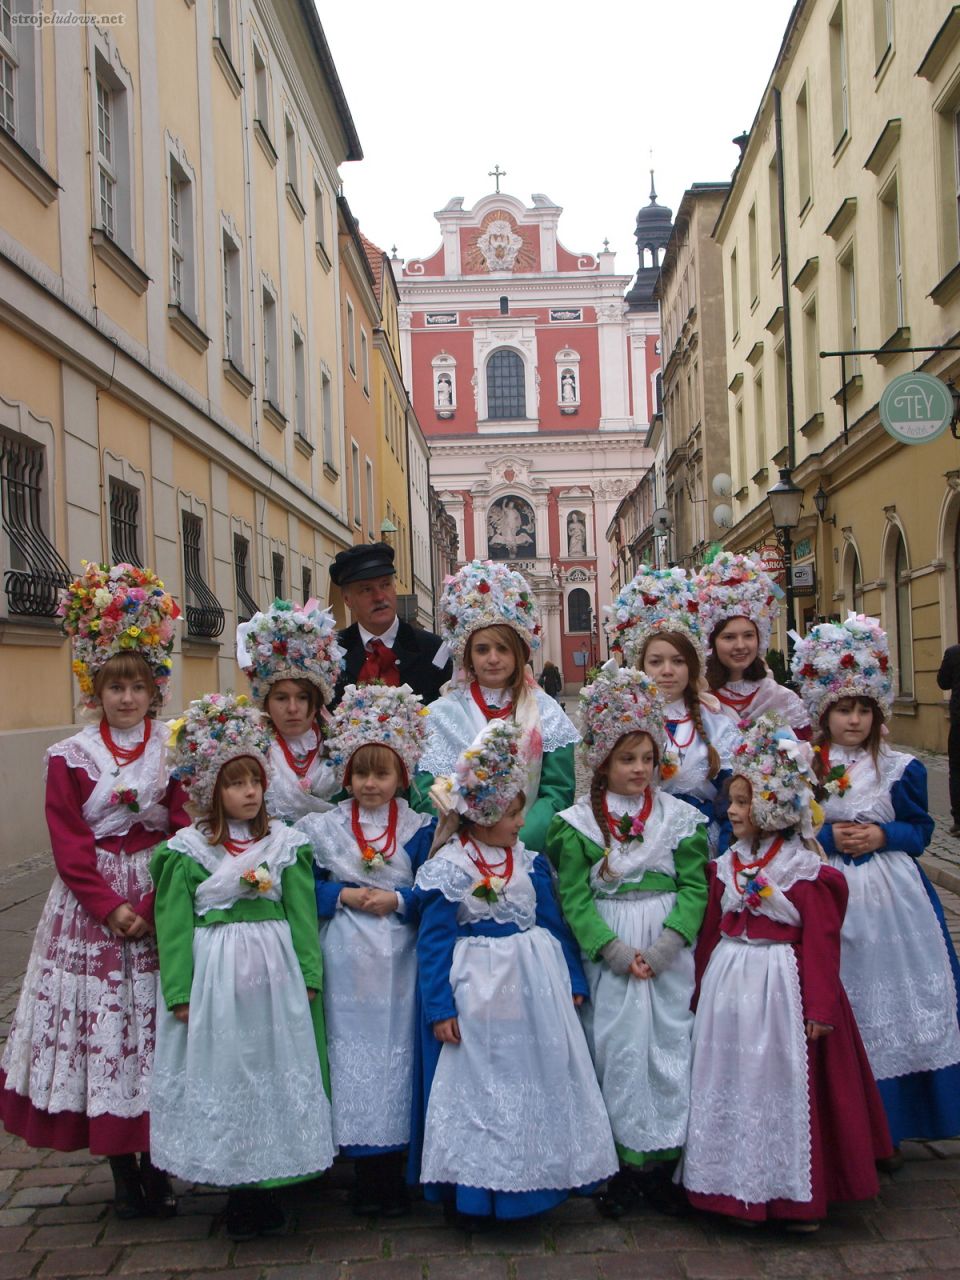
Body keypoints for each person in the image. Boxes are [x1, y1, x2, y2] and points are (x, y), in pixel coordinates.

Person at [0, 563, 187, 1219]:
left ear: (154, 689)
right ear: (96, 692)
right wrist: (110, 908)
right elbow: (70, 843)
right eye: (115, 688)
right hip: (95, 908)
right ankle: (121, 1166)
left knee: (159, 1027)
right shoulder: (69, 757)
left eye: (137, 686)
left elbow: (188, 826)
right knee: (110, 1031)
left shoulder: (175, 748)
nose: (127, 698)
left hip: (160, 890)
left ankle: (160, 1154)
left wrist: (167, 896)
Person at [681, 715, 892, 1230]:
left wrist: (820, 1008)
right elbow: (712, 930)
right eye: (732, 801)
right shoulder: (727, 864)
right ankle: (729, 1189)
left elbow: (822, 945)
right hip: (732, 992)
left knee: (784, 1086)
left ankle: (792, 1195)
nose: (730, 811)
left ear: (774, 804)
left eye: (741, 802)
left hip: (785, 994)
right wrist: (699, 990)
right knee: (733, 1082)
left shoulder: (805, 872)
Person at [413, 720, 617, 1227]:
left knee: (533, 1083)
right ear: (480, 816)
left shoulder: (526, 862)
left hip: (533, 998)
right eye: (511, 813)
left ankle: (535, 1180)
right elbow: (434, 941)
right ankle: (478, 1191)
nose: (520, 823)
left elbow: (552, 922)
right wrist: (439, 1007)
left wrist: (571, 978)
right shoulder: (452, 866)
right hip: (477, 998)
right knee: (480, 1090)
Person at [150, 694, 335, 1241]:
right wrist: (179, 991)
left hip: (275, 980)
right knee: (228, 1070)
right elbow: (175, 927)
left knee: (273, 1070)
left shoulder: (286, 846)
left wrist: (309, 975)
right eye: (235, 784)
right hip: (216, 980)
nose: (249, 793)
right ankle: (234, 1184)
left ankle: (275, 1182)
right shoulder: (185, 852)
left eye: (255, 781)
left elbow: (302, 917)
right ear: (211, 791)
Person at [793, 615, 960, 1155]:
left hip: (893, 901)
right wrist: (829, 834)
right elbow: (790, 823)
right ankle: (848, 1126)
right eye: (845, 709)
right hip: (829, 894)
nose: (855, 719)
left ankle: (900, 1118)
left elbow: (921, 829)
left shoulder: (900, 767)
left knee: (898, 1001)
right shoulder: (804, 766)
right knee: (841, 997)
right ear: (825, 713)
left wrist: (885, 834)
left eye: (864, 709)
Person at [547, 663, 708, 1219]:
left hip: (666, 953)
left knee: (669, 1044)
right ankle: (616, 1165)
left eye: (646, 758)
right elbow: (573, 897)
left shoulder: (679, 820)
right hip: (612, 950)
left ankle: (664, 1160)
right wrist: (611, 950)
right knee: (614, 1047)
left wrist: (668, 945)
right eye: (625, 759)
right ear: (601, 763)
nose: (638, 769)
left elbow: (694, 887)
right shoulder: (578, 825)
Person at [295, 683, 436, 1217]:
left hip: (401, 958)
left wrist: (400, 898)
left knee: (396, 1055)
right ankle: (357, 1163)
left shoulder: (422, 828)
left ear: (402, 775)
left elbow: (436, 888)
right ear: (344, 776)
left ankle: (396, 1165)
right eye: (360, 773)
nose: (370, 784)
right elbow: (301, 887)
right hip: (346, 957)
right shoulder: (322, 828)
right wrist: (344, 894)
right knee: (352, 1054)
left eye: (382, 773)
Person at [412, 559, 580, 852]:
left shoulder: (546, 712)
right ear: (468, 656)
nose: (492, 658)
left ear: (519, 654)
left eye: (502, 648)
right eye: (482, 649)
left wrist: (519, 841)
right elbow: (426, 790)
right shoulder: (441, 714)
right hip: (460, 851)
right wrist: (470, 841)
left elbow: (557, 792)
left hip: (526, 847)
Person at [607, 566, 740, 851]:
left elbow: (732, 796)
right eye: (656, 662)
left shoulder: (715, 723)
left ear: (692, 666)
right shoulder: (624, 721)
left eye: (678, 661)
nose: (667, 671)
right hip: (640, 839)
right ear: (640, 666)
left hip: (701, 842)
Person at [237, 598, 344, 823]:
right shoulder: (252, 747)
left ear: (317, 701)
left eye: (303, 697)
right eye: (281, 698)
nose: (293, 708)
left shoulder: (339, 744)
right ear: (266, 702)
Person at [693, 551, 810, 737]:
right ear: (712, 643)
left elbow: (805, 757)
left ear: (759, 639)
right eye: (729, 637)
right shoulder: (701, 700)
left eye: (748, 635)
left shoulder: (781, 699)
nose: (740, 645)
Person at [331, 542, 451, 708]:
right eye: (366, 589)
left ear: (394, 587)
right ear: (347, 599)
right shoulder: (332, 653)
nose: (379, 597)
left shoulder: (432, 650)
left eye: (385, 585)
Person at [936, 638, 960, 836]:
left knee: (957, 770)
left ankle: (959, 820)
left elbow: (943, 682)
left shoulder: (953, 653)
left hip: (959, 722)